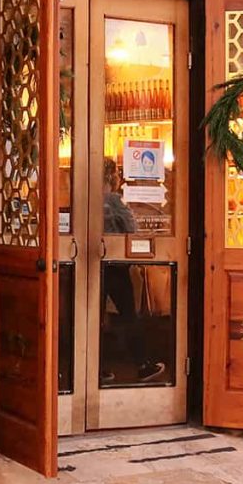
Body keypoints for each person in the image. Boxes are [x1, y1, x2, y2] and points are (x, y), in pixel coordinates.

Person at [101, 158, 165, 383]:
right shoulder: (114, 201)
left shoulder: (85, 199)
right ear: (112, 177)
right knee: (129, 316)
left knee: (90, 315)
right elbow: (133, 231)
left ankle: (93, 368)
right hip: (115, 267)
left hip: (91, 265)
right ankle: (142, 364)